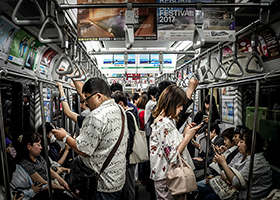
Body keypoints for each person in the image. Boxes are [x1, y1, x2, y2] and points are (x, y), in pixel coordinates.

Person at [52, 77, 128, 200]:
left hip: (100, 183)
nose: (86, 103)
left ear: (99, 96)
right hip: (116, 178)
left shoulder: (96, 116)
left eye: (87, 99)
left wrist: (65, 137)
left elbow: (83, 150)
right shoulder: (119, 109)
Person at [150, 84, 202, 200]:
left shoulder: (166, 120)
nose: (182, 109)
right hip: (168, 178)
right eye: (180, 105)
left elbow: (170, 144)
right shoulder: (164, 123)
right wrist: (187, 137)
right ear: (172, 103)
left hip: (166, 176)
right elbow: (173, 155)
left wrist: (184, 134)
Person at [197, 130, 272, 200]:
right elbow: (225, 171)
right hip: (232, 189)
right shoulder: (241, 154)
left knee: (210, 198)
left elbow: (235, 182)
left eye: (241, 142)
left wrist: (223, 163)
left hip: (244, 195)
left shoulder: (256, 162)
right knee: (202, 191)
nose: (238, 145)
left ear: (250, 144)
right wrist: (228, 179)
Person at [111, 91, 136, 200]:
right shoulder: (130, 113)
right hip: (127, 156)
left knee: (128, 185)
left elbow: (130, 137)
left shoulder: (128, 115)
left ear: (120, 104)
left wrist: (125, 155)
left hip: (128, 157)